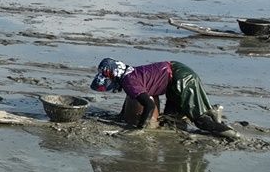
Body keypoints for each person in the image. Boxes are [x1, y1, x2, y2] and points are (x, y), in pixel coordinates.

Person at [89, 57, 232, 135]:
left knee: (201, 122)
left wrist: (139, 128)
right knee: (171, 121)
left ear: (114, 77)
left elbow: (149, 105)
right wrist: (121, 115)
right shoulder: (129, 73)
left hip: (181, 79)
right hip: (175, 73)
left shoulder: (128, 82)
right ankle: (211, 111)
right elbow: (133, 98)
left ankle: (231, 134)